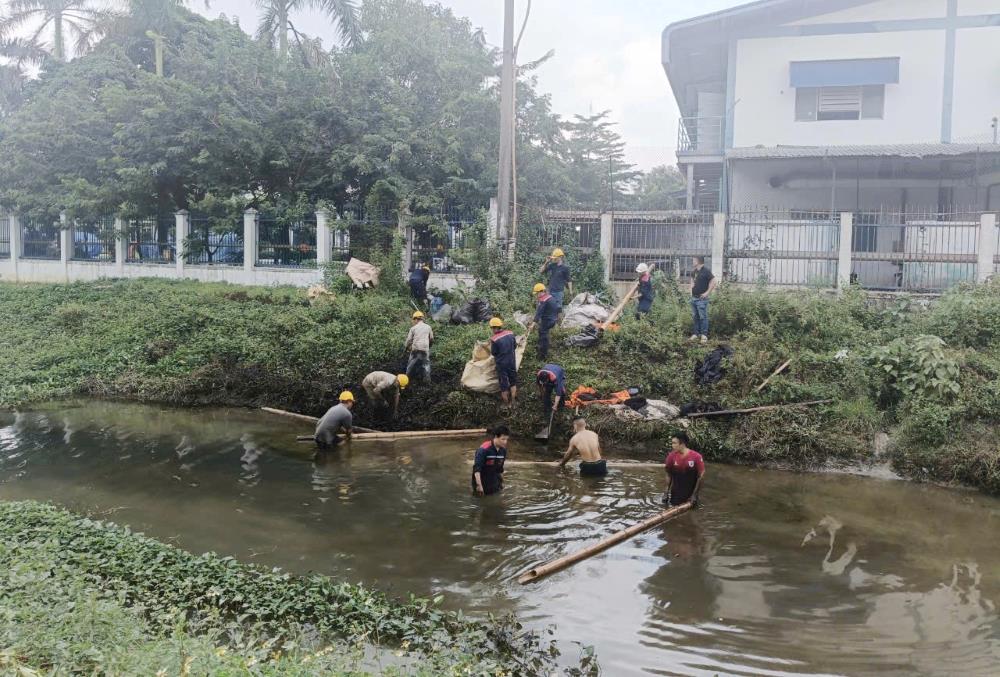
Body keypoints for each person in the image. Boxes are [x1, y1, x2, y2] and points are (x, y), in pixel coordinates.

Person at [663, 431, 705, 507]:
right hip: (675, 495)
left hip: (691, 495)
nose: (672, 445)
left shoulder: (696, 457)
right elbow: (668, 474)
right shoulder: (671, 456)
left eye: (674, 443)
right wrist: (666, 492)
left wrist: (694, 495)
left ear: (682, 444)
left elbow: (701, 477)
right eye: (672, 443)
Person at [472, 425, 510, 496]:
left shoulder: (503, 451)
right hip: (481, 481)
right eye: (503, 439)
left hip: (494, 481)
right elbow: (477, 469)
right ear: (496, 437)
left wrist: (502, 483)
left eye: (507, 439)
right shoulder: (484, 449)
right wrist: (479, 485)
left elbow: (500, 468)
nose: (505, 442)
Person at [489, 317, 519, 408]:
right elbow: (514, 346)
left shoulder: (494, 339)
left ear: (494, 328)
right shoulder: (510, 333)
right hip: (512, 362)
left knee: (504, 386)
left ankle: (506, 404)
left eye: (492, 328)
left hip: (502, 365)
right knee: (513, 383)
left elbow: (494, 353)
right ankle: (513, 402)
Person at [690, 256, 717, 344]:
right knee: (695, 317)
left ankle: (704, 335)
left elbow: (714, 281)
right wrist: (691, 290)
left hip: (702, 299)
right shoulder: (694, 272)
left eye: (694, 260)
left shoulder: (706, 271)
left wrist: (707, 293)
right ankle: (695, 334)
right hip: (694, 298)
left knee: (703, 317)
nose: (692, 262)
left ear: (698, 261)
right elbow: (692, 281)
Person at [529, 283, 560, 360]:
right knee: (541, 331)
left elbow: (539, 313)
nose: (536, 296)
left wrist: (533, 324)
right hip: (553, 319)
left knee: (543, 335)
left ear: (540, 292)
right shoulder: (550, 297)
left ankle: (542, 355)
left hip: (548, 321)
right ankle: (541, 346)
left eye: (537, 294)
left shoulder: (543, 300)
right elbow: (558, 308)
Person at [405, 310, 434, 382]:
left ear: (416, 319)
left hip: (416, 349)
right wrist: (429, 346)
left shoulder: (413, 328)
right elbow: (431, 338)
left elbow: (409, 340)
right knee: (426, 365)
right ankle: (427, 381)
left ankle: (407, 379)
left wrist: (406, 348)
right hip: (425, 349)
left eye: (413, 320)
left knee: (410, 365)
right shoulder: (428, 327)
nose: (413, 321)